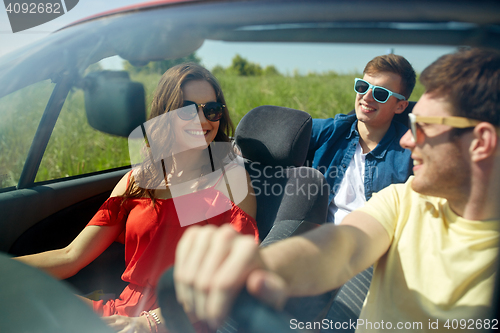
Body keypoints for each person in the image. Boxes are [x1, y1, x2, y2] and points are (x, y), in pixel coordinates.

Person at [173, 47, 500, 332]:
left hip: (371, 263)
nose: (366, 97)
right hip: (324, 245)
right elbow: (344, 243)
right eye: (362, 86)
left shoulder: (413, 172)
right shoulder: (400, 196)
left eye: (423, 127)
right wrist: (263, 265)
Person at [15, 63, 259, 333]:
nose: (203, 121)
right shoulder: (136, 181)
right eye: (188, 110)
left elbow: (232, 275)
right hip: (122, 313)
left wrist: (150, 322)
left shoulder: (231, 181)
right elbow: (71, 256)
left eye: (211, 110)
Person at [308, 54, 415, 224]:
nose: (366, 96)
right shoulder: (332, 131)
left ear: (400, 106)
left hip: (375, 243)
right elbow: (279, 131)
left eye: (380, 93)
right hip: (322, 238)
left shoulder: (410, 153)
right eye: (362, 86)